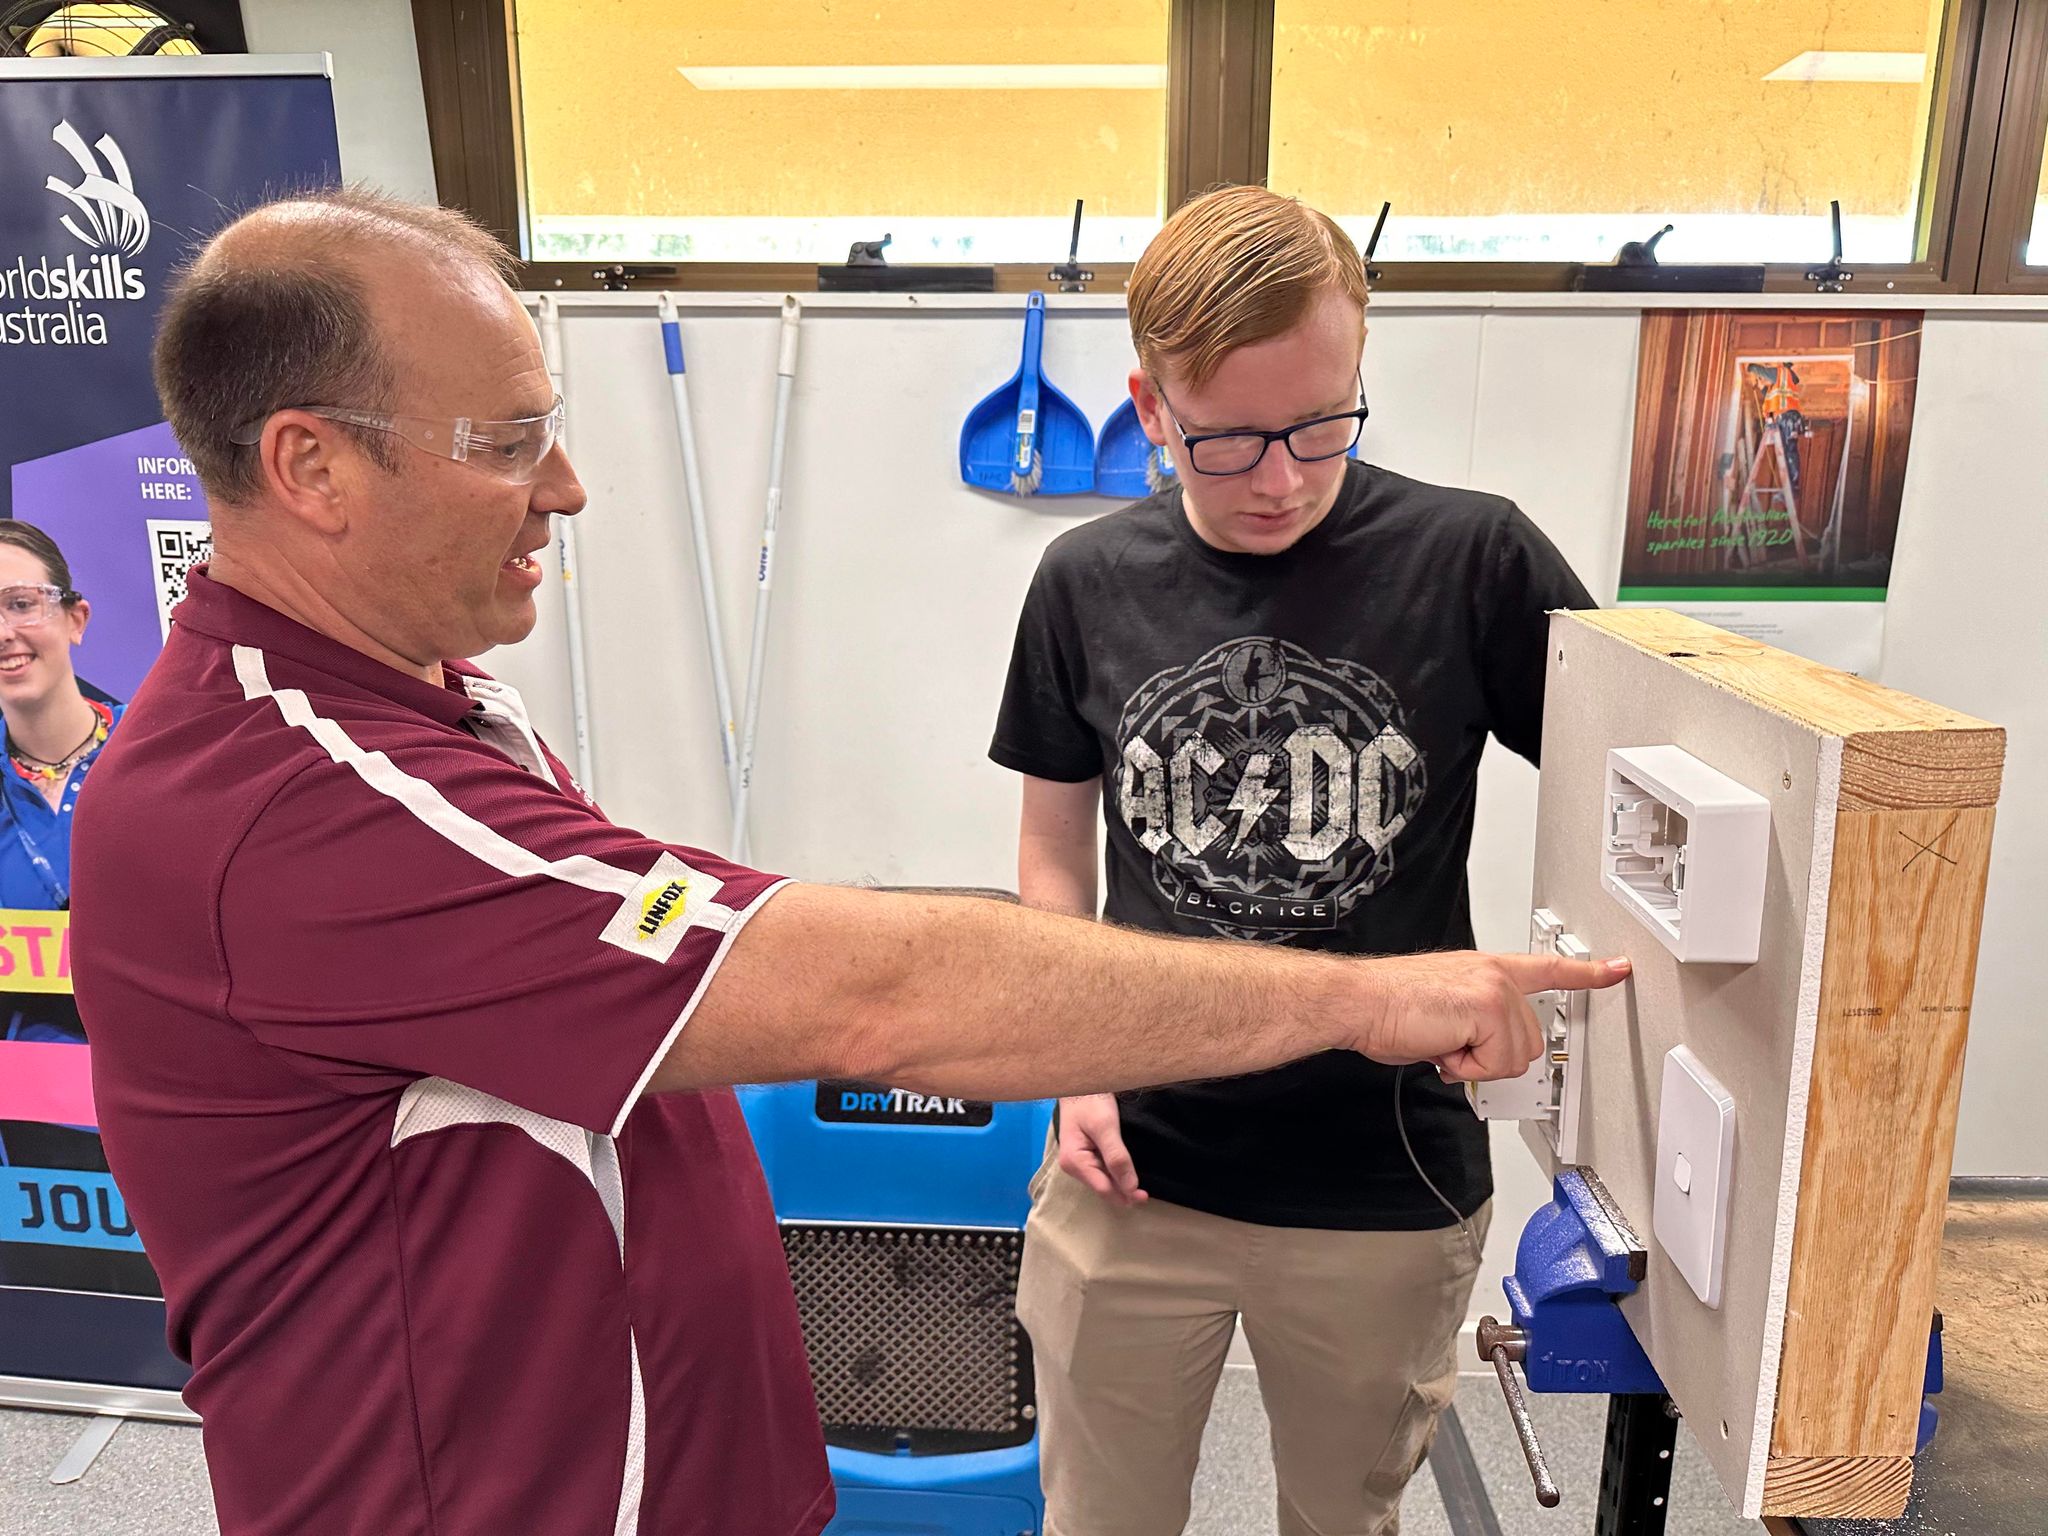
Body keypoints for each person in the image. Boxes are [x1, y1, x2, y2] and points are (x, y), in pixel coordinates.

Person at [68, 188, 1625, 1536]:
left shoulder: (434, 706)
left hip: (669, 1460)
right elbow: (877, 995)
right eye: (509, 441)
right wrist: (1364, 998)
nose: (567, 486)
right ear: (313, 468)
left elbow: (646, 919)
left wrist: (741, 921)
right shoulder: (290, 801)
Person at [989, 184, 1598, 1536]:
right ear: (1152, 409)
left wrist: (1545, 1011)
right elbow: (1053, 846)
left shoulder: (1471, 558)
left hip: (1380, 1185)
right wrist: (1069, 1058)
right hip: (1131, 1167)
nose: (1280, 477)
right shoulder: (1085, 583)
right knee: (1099, 1519)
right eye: (1230, 440)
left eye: (1323, 426)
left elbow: (1636, 801)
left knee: (1342, 1519)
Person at [0, 519, 155, 1293]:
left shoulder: (164, 765)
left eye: (22, 603)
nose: (5, 633)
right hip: (33, 1141)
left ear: (75, 618)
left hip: (169, 1115)